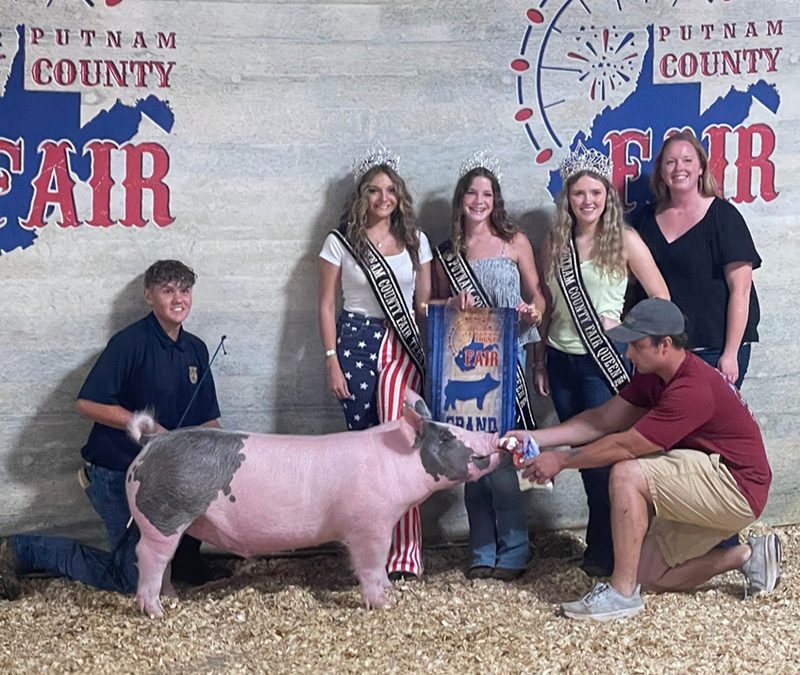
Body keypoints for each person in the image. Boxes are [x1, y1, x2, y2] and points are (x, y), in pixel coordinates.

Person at [511, 298, 780, 622]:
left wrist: (562, 460)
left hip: (736, 487)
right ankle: (748, 555)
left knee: (626, 473)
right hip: (712, 477)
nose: (628, 354)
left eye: (636, 345)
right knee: (649, 575)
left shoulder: (692, 388)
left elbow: (627, 446)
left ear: (664, 345)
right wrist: (536, 439)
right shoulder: (655, 376)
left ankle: (621, 595)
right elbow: (601, 421)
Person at [0, 260, 223, 601]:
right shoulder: (129, 343)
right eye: (167, 291)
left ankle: (187, 563)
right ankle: (20, 550)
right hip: (115, 471)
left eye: (185, 290)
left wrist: (220, 452)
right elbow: (87, 403)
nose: (178, 299)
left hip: (163, 474)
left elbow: (209, 419)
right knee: (131, 578)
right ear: (149, 296)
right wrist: (145, 427)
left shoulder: (196, 349)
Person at [535, 142, 669, 577]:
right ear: (568, 199)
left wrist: (627, 324)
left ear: (607, 196)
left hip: (603, 359)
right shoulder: (555, 242)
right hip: (560, 358)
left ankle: (607, 553)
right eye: (579, 194)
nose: (587, 201)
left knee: (604, 456)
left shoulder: (626, 239)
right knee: (578, 448)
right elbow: (549, 307)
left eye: (595, 193)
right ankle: (602, 548)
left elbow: (663, 299)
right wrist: (539, 360)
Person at [318, 144, 431, 581]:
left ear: (399, 195)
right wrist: (331, 359)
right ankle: (368, 553)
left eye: (389, 190)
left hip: (402, 343)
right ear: (361, 196)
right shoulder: (338, 242)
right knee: (362, 450)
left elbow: (421, 305)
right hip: (355, 341)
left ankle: (405, 553)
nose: (382, 197)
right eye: (373, 190)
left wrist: (449, 305)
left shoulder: (415, 241)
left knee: (399, 444)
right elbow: (326, 304)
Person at [433, 152, 546, 581]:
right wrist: (450, 302)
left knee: (504, 455)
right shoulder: (448, 253)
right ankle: (481, 548)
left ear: (495, 199)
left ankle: (514, 548)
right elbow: (432, 309)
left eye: (487, 193)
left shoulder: (514, 241)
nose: (479, 200)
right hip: (465, 366)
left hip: (509, 358)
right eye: (472, 192)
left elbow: (538, 296)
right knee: (472, 460)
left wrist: (531, 314)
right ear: (461, 199)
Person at [634, 130, 761, 389]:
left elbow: (742, 289)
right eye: (670, 161)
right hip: (665, 353)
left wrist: (730, 353)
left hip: (714, 351)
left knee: (708, 429)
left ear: (702, 167)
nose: (679, 167)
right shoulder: (645, 219)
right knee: (667, 429)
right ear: (661, 170)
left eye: (687, 160)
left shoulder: (723, 216)